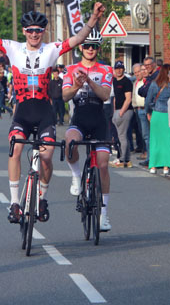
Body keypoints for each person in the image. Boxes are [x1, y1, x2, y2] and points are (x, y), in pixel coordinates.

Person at [0, 0, 105, 225]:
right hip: (22, 112)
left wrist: (94, 19)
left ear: (43, 32)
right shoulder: (12, 48)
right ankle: (13, 203)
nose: (34, 34)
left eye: (38, 31)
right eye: (30, 31)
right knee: (16, 149)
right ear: (24, 31)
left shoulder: (51, 50)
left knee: (47, 158)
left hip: (44, 114)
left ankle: (42, 197)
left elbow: (79, 39)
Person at [63, 29, 114, 231]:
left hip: (99, 119)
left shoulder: (106, 70)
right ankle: (76, 176)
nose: (90, 49)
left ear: (98, 49)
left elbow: (105, 95)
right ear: (81, 48)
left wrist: (90, 81)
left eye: (94, 46)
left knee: (102, 165)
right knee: (69, 142)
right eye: (86, 46)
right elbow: (65, 96)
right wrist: (76, 85)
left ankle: (103, 215)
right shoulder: (70, 68)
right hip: (80, 118)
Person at [145, 64, 170, 175]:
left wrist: (148, 112)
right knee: (168, 142)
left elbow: (148, 100)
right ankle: (166, 166)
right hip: (169, 116)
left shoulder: (154, 84)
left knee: (155, 141)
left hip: (156, 114)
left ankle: (153, 166)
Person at [111, 61, 134, 168]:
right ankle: (127, 159)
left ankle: (122, 159)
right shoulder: (115, 81)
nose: (119, 70)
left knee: (122, 136)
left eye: (121, 68)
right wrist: (115, 110)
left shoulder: (127, 82)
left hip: (126, 110)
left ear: (123, 69)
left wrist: (121, 112)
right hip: (117, 110)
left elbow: (128, 99)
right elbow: (116, 97)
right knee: (121, 136)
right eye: (117, 68)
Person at [132, 63, 150, 163]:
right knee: (143, 133)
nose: (138, 73)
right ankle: (145, 152)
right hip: (138, 109)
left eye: (139, 71)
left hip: (146, 109)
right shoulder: (136, 82)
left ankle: (148, 156)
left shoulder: (147, 82)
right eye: (136, 72)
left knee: (147, 135)